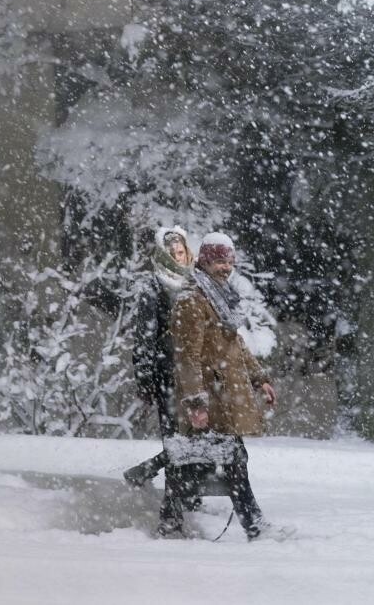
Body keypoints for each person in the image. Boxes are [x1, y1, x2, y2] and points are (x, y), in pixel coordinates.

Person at [171, 231, 277, 541]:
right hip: (211, 398)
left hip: (225, 396)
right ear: (204, 261)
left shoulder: (219, 296)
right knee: (233, 459)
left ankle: (181, 517)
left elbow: (236, 345)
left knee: (226, 460)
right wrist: (195, 404)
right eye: (218, 260)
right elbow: (186, 358)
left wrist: (261, 379)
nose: (225, 267)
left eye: (228, 260)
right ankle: (254, 525)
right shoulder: (192, 300)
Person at [123, 226, 197, 534]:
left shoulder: (196, 282)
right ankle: (172, 511)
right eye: (172, 252)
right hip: (168, 375)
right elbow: (144, 337)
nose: (178, 256)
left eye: (181, 251)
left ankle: (155, 476)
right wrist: (145, 378)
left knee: (195, 439)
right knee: (176, 441)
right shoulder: (153, 287)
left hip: (196, 376)